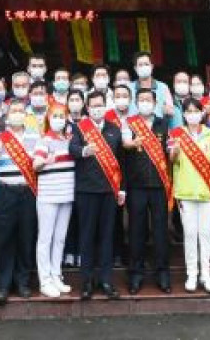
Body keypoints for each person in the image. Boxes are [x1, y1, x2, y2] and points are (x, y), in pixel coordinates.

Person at [69, 90, 124, 300]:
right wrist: (84, 151)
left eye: (100, 105)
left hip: (109, 191)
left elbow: (121, 163)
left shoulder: (114, 130)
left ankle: (107, 280)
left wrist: (122, 189)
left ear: (105, 106)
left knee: (106, 236)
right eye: (93, 106)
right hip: (86, 191)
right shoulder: (79, 128)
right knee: (87, 236)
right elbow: (72, 148)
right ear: (87, 108)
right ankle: (87, 282)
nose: (97, 108)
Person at [0, 100, 40, 304]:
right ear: (7, 116)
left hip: (28, 192)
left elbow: (41, 157)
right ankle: (3, 284)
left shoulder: (35, 136)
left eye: (21, 111)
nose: (17, 114)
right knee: (4, 238)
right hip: (6, 193)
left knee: (26, 238)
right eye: (14, 111)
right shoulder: (0, 138)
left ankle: (23, 282)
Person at [122, 87, 171, 294]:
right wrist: (131, 144)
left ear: (155, 102)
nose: (145, 103)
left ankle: (162, 274)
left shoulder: (163, 124)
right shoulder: (130, 123)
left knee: (161, 231)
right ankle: (136, 274)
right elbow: (124, 145)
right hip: (137, 186)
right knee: (137, 231)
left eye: (148, 99)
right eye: (141, 99)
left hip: (159, 185)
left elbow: (170, 151)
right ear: (136, 102)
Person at [169, 97, 210, 293]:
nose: (192, 114)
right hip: (185, 191)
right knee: (190, 234)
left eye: (195, 111)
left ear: (201, 113)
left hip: (206, 191)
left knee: (206, 234)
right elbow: (173, 160)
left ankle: (206, 274)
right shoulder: (176, 134)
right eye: (188, 111)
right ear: (183, 114)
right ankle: (191, 273)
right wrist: (174, 151)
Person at [34, 102, 75, 298]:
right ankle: (45, 280)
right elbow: (35, 164)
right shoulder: (44, 140)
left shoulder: (70, 140)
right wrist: (44, 161)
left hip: (66, 194)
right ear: (49, 118)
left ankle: (56, 274)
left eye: (62, 115)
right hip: (48, 195)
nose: (58, 119)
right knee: (46, 238)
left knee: (60, 238)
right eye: (55, 115)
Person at [131, 52, 172, 119]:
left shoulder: (163, 87)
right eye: (140, 65)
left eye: (146, 64)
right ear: (135, 68)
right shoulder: (129, 88)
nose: (143, 67)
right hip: (135, 126)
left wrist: (168, 109)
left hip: (157, 127)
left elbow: (170, 111)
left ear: (152, 66)